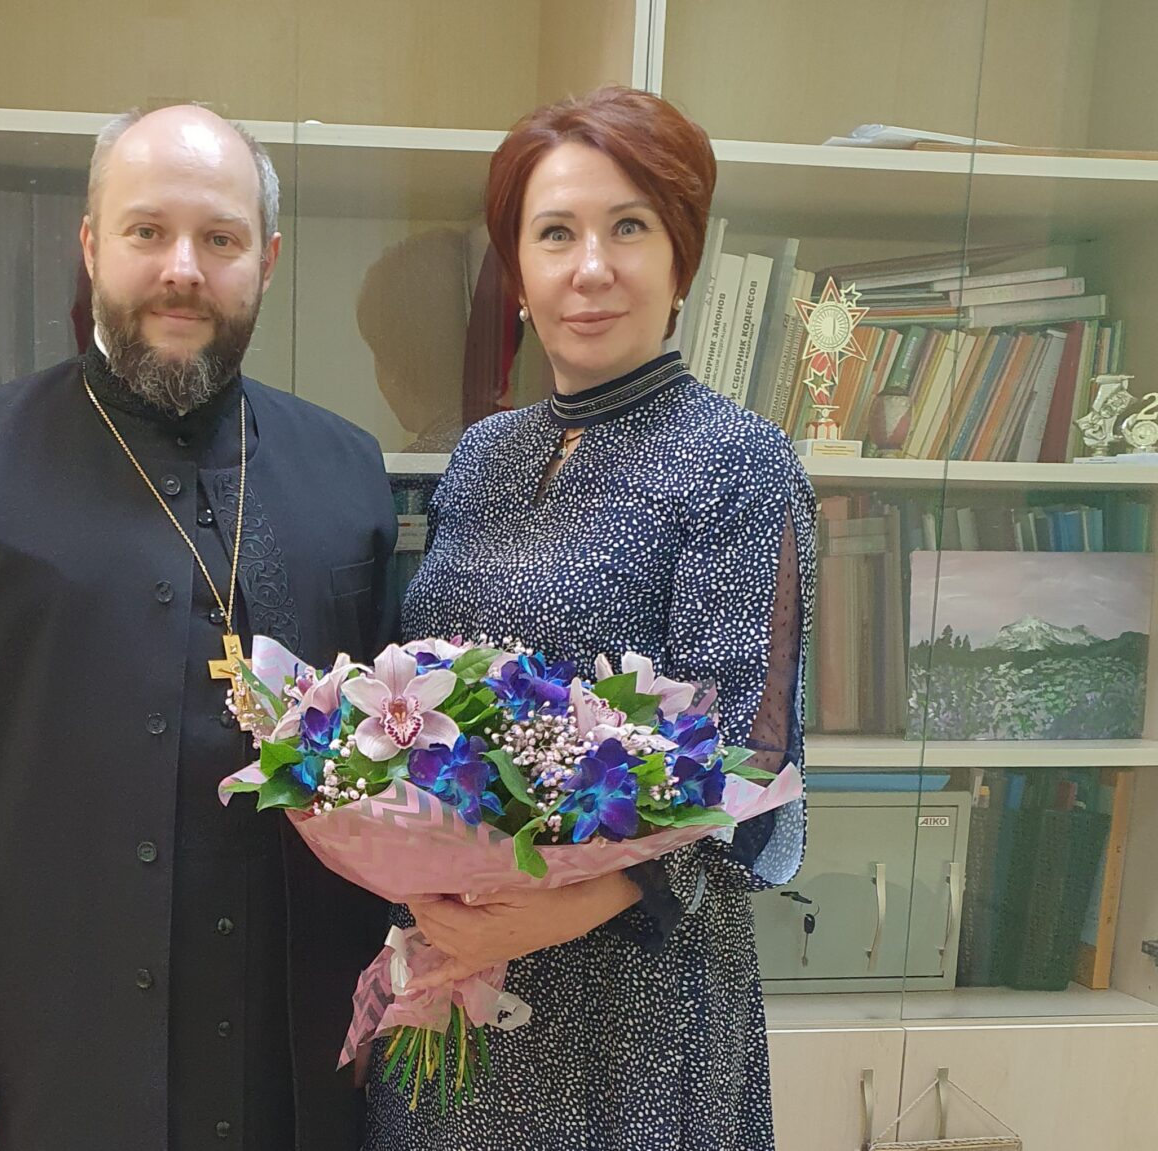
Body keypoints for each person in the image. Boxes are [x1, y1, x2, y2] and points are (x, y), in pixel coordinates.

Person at [0, 104, 397, 1150]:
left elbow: (394, 762)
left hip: (292, 1049)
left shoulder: (348, 471)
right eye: (148, 231)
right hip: (41, 1042)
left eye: (219, 238)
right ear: (92, 246)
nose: (183, 268)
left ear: (266, 261)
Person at [366, 87, 817, 1150]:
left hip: (633, 1005)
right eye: (556, 233)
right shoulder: (485, 454)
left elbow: (752, 770)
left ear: (681, 261)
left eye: (630, 227)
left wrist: (559, 905)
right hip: (454, 969)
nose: (592, 267)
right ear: (518, 274)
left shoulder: (737, 461)